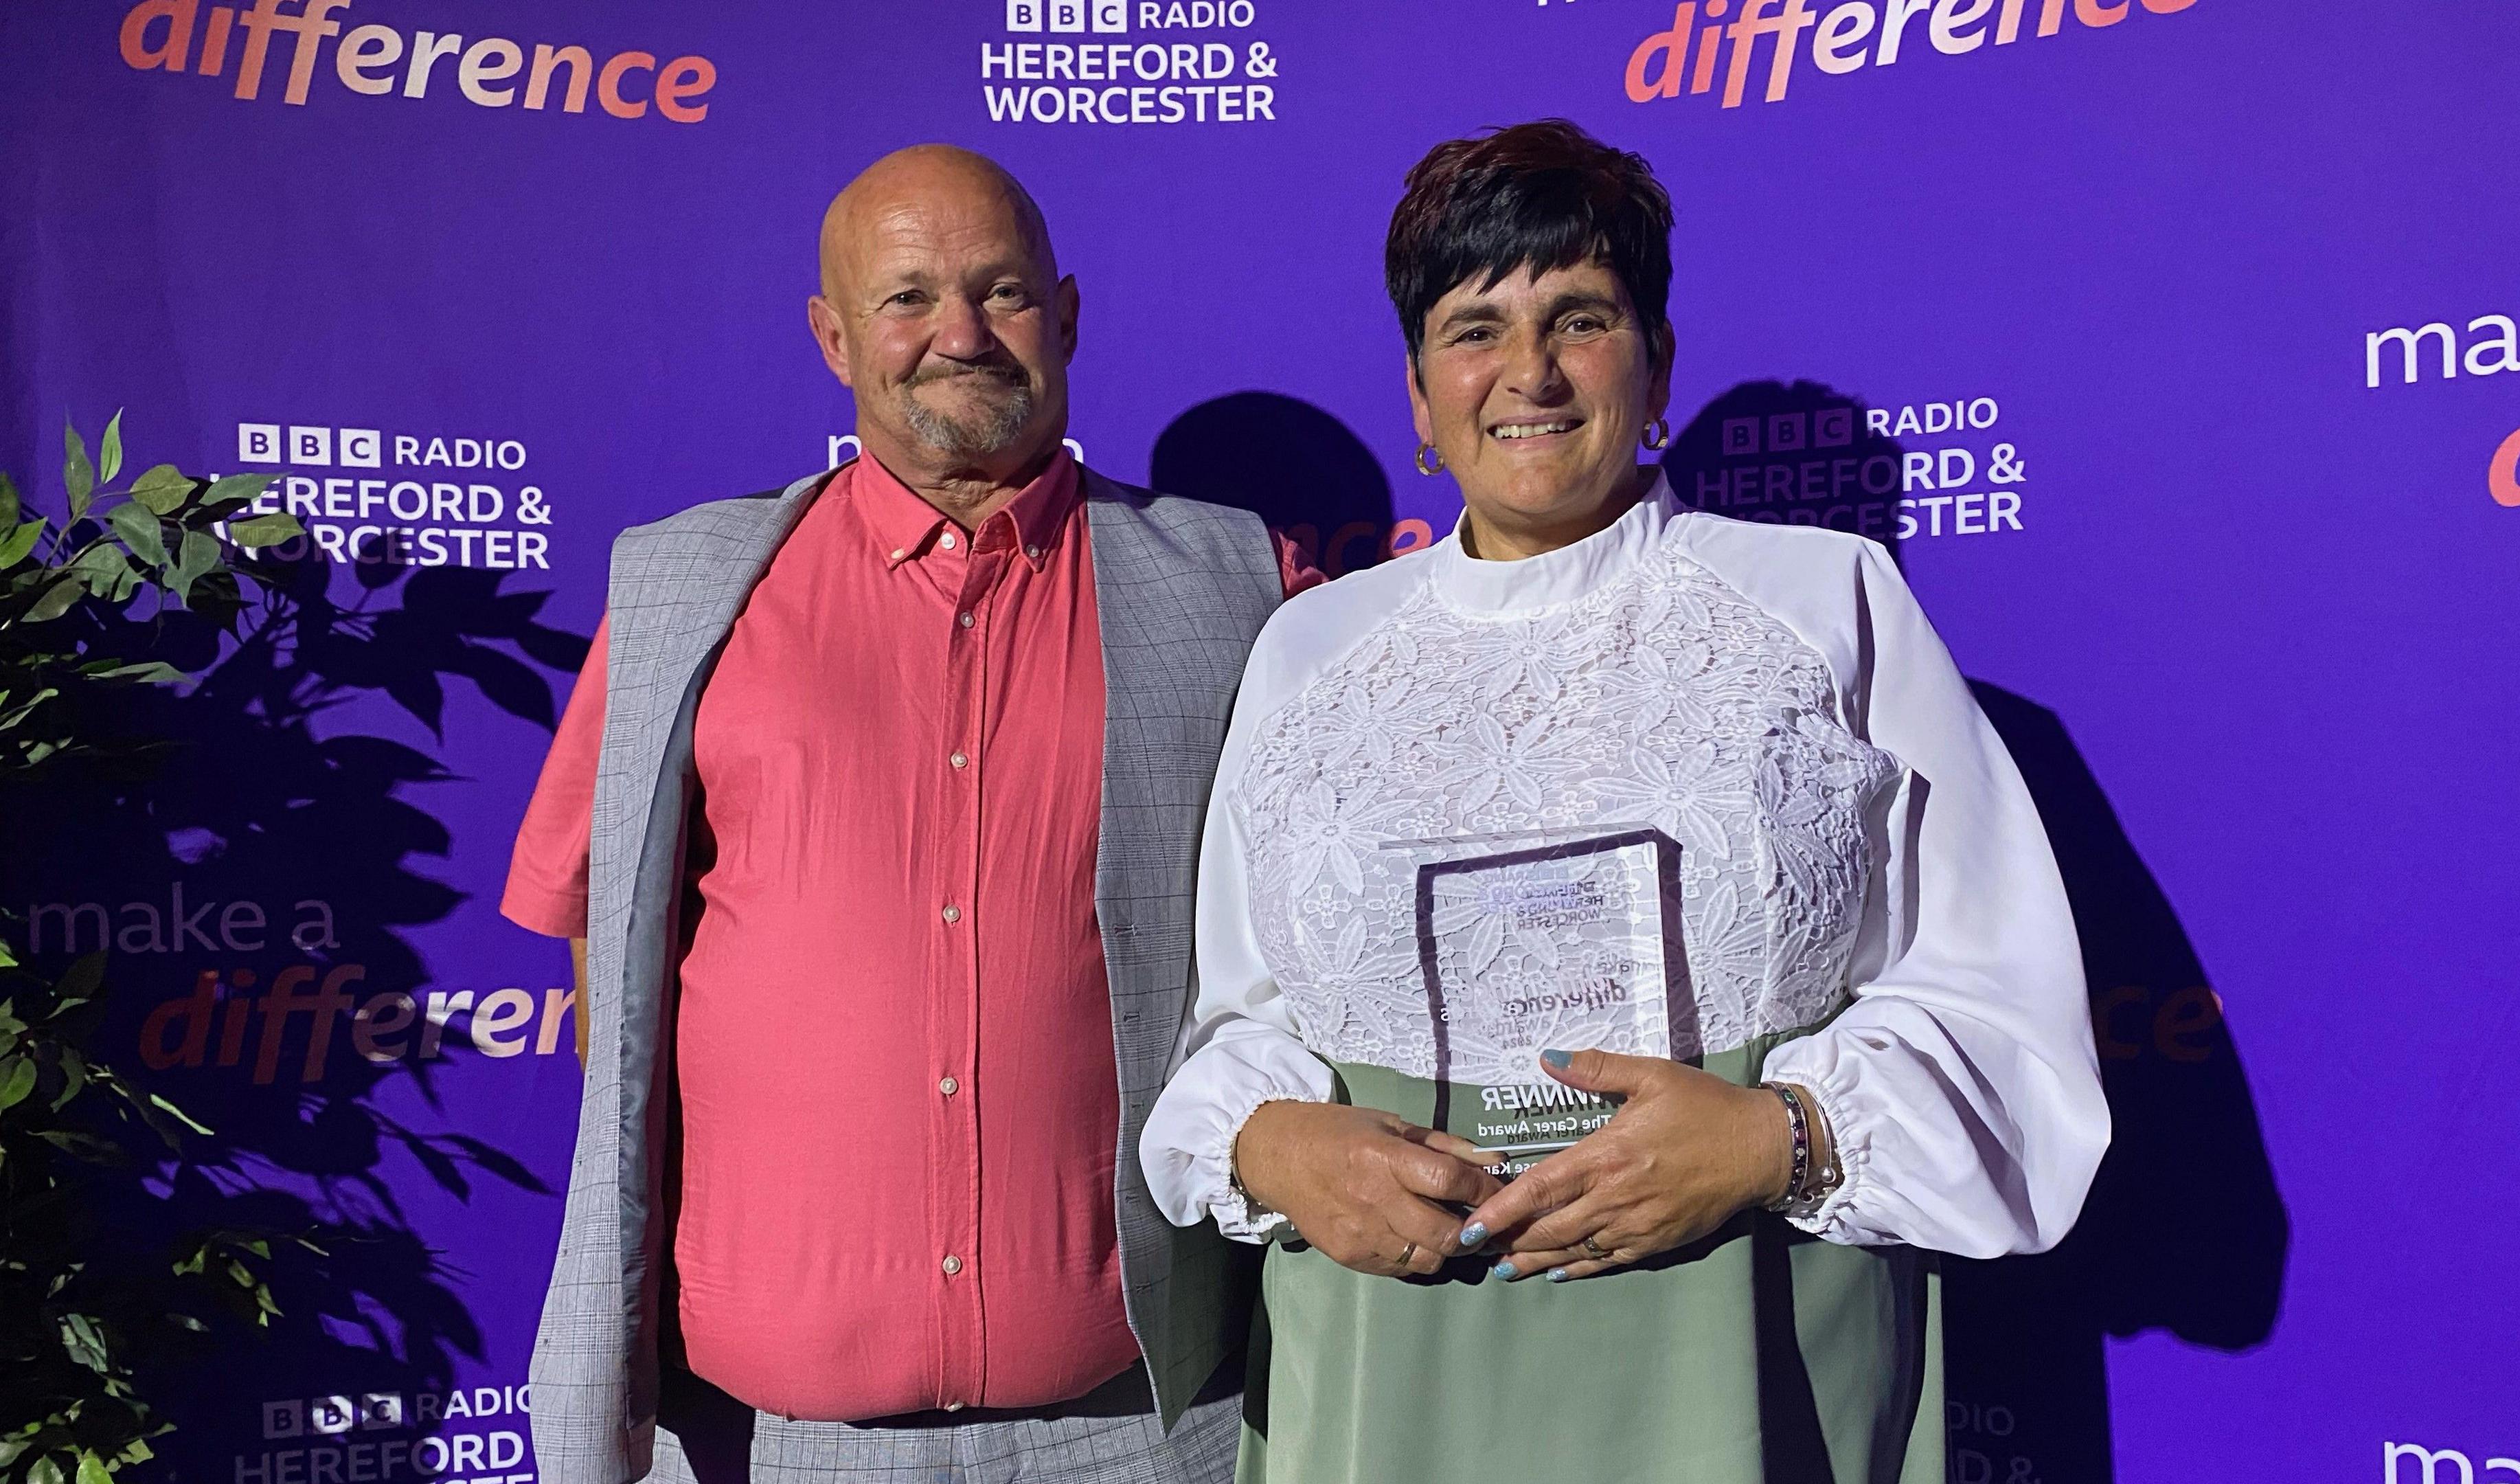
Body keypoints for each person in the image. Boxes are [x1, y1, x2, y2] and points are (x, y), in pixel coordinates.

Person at [1139, 120, 2111, 1484]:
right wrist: (1268, 1139)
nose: (1527, 372)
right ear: (1419, 397)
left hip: (1745, 1334)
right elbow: (1238, 1015)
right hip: (1388, 1360)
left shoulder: (1825, 604)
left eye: (1578, 317)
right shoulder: (1309, 653)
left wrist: (1780, 1140)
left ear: (1654, 362)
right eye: (1476, 327)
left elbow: (1998, 1001)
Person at [503, 144, 1318, 1484]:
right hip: (774, 1447)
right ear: (834, 340)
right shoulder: (680, 597)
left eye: (1000, 293)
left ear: (1066, 316)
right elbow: (607, 944)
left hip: (1158, 1427)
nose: (960, 335)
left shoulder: (1243, 583)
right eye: (908, 299)